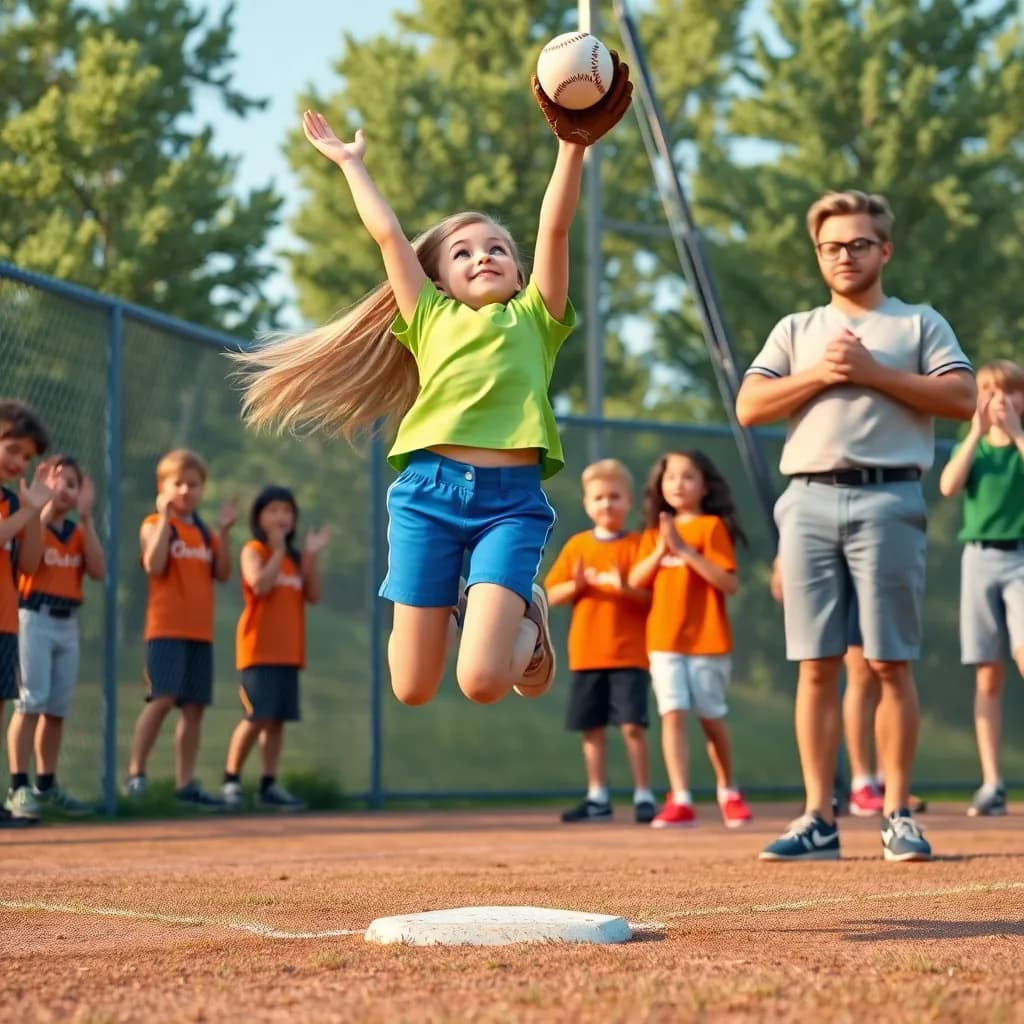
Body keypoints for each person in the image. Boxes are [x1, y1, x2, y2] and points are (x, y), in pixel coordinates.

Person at [235, 65, 633, 708]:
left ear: (519, 270)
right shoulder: (428, 315)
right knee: (412, 687)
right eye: (465, 251)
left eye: (498, 248)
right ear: (440, 279)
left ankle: (528, 622)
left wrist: (572, 146)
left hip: (510, 503)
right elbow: (388, 234)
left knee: (481, 683)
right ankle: (455, 603)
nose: (484, 255)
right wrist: (349, 163)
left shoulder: (537, 318)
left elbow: (554, 227)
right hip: (427, 496)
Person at [737, 190, 975, 862]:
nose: (846, 255)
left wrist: (873, 371)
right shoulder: (796, 329)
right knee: (814, 667)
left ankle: (898, 812)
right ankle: (817, 818)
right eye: (832, 246)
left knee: (888, 661)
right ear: (818, 254)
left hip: (888, 499)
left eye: (859, 244)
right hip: (807, 500)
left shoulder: (918, 323)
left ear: (885, 250)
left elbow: (961, 397)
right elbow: (750, 404)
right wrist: (819, 375)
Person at [628, 451, 753, 829]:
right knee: (673, 713)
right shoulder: (653, 534)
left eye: (687, 477)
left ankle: (728, 789)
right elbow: (635, 581)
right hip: (664, 641)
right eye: (670, 478)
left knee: (711, 720)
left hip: (707, 641)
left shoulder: (711, 527)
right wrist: (664, 549)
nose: (678, 484)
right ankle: (680, 797)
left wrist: (684, 551)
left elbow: (729, 583)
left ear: (704, 485)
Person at [769, 557, 926, 817]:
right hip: (833, 557)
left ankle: (883, 780)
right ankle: (861, 783)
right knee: (860, 670)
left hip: (876, 545)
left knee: (885, 666)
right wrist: (783, 557)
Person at [124, 449, 237, 808]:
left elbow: (222, 573)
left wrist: (223, 531)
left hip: (199, 633)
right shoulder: (155, 526)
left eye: (194, 484)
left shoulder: (204, 533)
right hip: (165, 630)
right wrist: (163, 517)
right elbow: (154, 566)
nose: (186, 490)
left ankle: (185, 785)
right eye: (178, 484)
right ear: (163, 487)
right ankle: (135, 775)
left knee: (194, 709)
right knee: (161, 699)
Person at [544, 459, 655, 824]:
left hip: (630, 655)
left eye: (615, 496)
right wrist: (576, 586)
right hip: (588, 654)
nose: (607, 504)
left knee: (632, 726)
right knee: (591, 728)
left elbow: (650, 597)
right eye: (599, 497)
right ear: (587, 503)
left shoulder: (639, 545)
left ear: (629, 502)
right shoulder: (578, 546)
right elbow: (552, 593)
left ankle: (643, 794)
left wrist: (625, 588)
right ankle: (597, 797)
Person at [938, 359, 1024, 817]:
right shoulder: (974, 449)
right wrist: (973, 434)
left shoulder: (1018, 446)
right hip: (978, 559)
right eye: (988, 390)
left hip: (1021, 559)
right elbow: (949, 485)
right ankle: (992, 783)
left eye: (1009, 391)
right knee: (987, 674)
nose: (999, 399)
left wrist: (1017, 433)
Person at [221, 486, 331, 811]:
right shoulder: (254, 550)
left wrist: (310, 557)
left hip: (289, 652)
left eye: (287, 511)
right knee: (257, 716)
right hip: (258, 651)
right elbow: (260, 584)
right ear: (259, 517)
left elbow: (313, 594)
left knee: (277, 720)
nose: (281, 517)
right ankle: (231, 781)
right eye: (273, 510)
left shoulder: (296, 560)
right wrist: (279, 550)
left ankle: (268, 785)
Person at [6, 456, 105, 818]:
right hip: (34, 617)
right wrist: (40, 505)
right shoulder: (35, 525)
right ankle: (18, 787)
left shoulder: (77, 534)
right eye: (56, 481)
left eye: (72, 484)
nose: (64, 489)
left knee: (57, 709)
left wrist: (88, 518)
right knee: (31, 701)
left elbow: (97, 570)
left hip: (67, 623)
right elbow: (27, 562)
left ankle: (45, 785)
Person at [0, 400, 51, 827]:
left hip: (5, 619)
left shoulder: (12, 500)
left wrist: (32, 510)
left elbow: (30, 563)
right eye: (13, 449)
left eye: (27, 457)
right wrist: (28, 510)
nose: (19, 462)